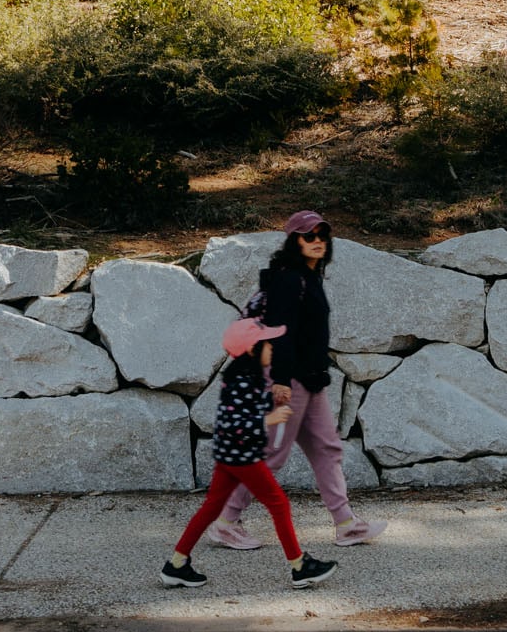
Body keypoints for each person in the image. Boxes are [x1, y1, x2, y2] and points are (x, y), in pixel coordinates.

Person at [203, 211, 387, 551]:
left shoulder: (309, 276)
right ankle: (226, 522)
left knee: (327, 449)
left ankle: (346, 524)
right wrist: (281, 380)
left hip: (310, 379)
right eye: (308, 236)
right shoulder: (288, 279)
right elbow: (280, 332)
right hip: (287, 380)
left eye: (322, 235)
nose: (317, 241)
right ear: (294, 241)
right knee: (270, 454)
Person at [162, 315, 338, 590]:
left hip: (229, 457)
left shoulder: (243, 378)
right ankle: (299, 566)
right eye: (268, 346)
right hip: (242, 457)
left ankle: (176, 564)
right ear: (253, 350)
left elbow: (244, 407)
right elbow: (233, 423)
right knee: (279, 504)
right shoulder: (242, 381)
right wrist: (269, 419)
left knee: (211, 508)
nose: (272, 350)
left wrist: (270, 400)